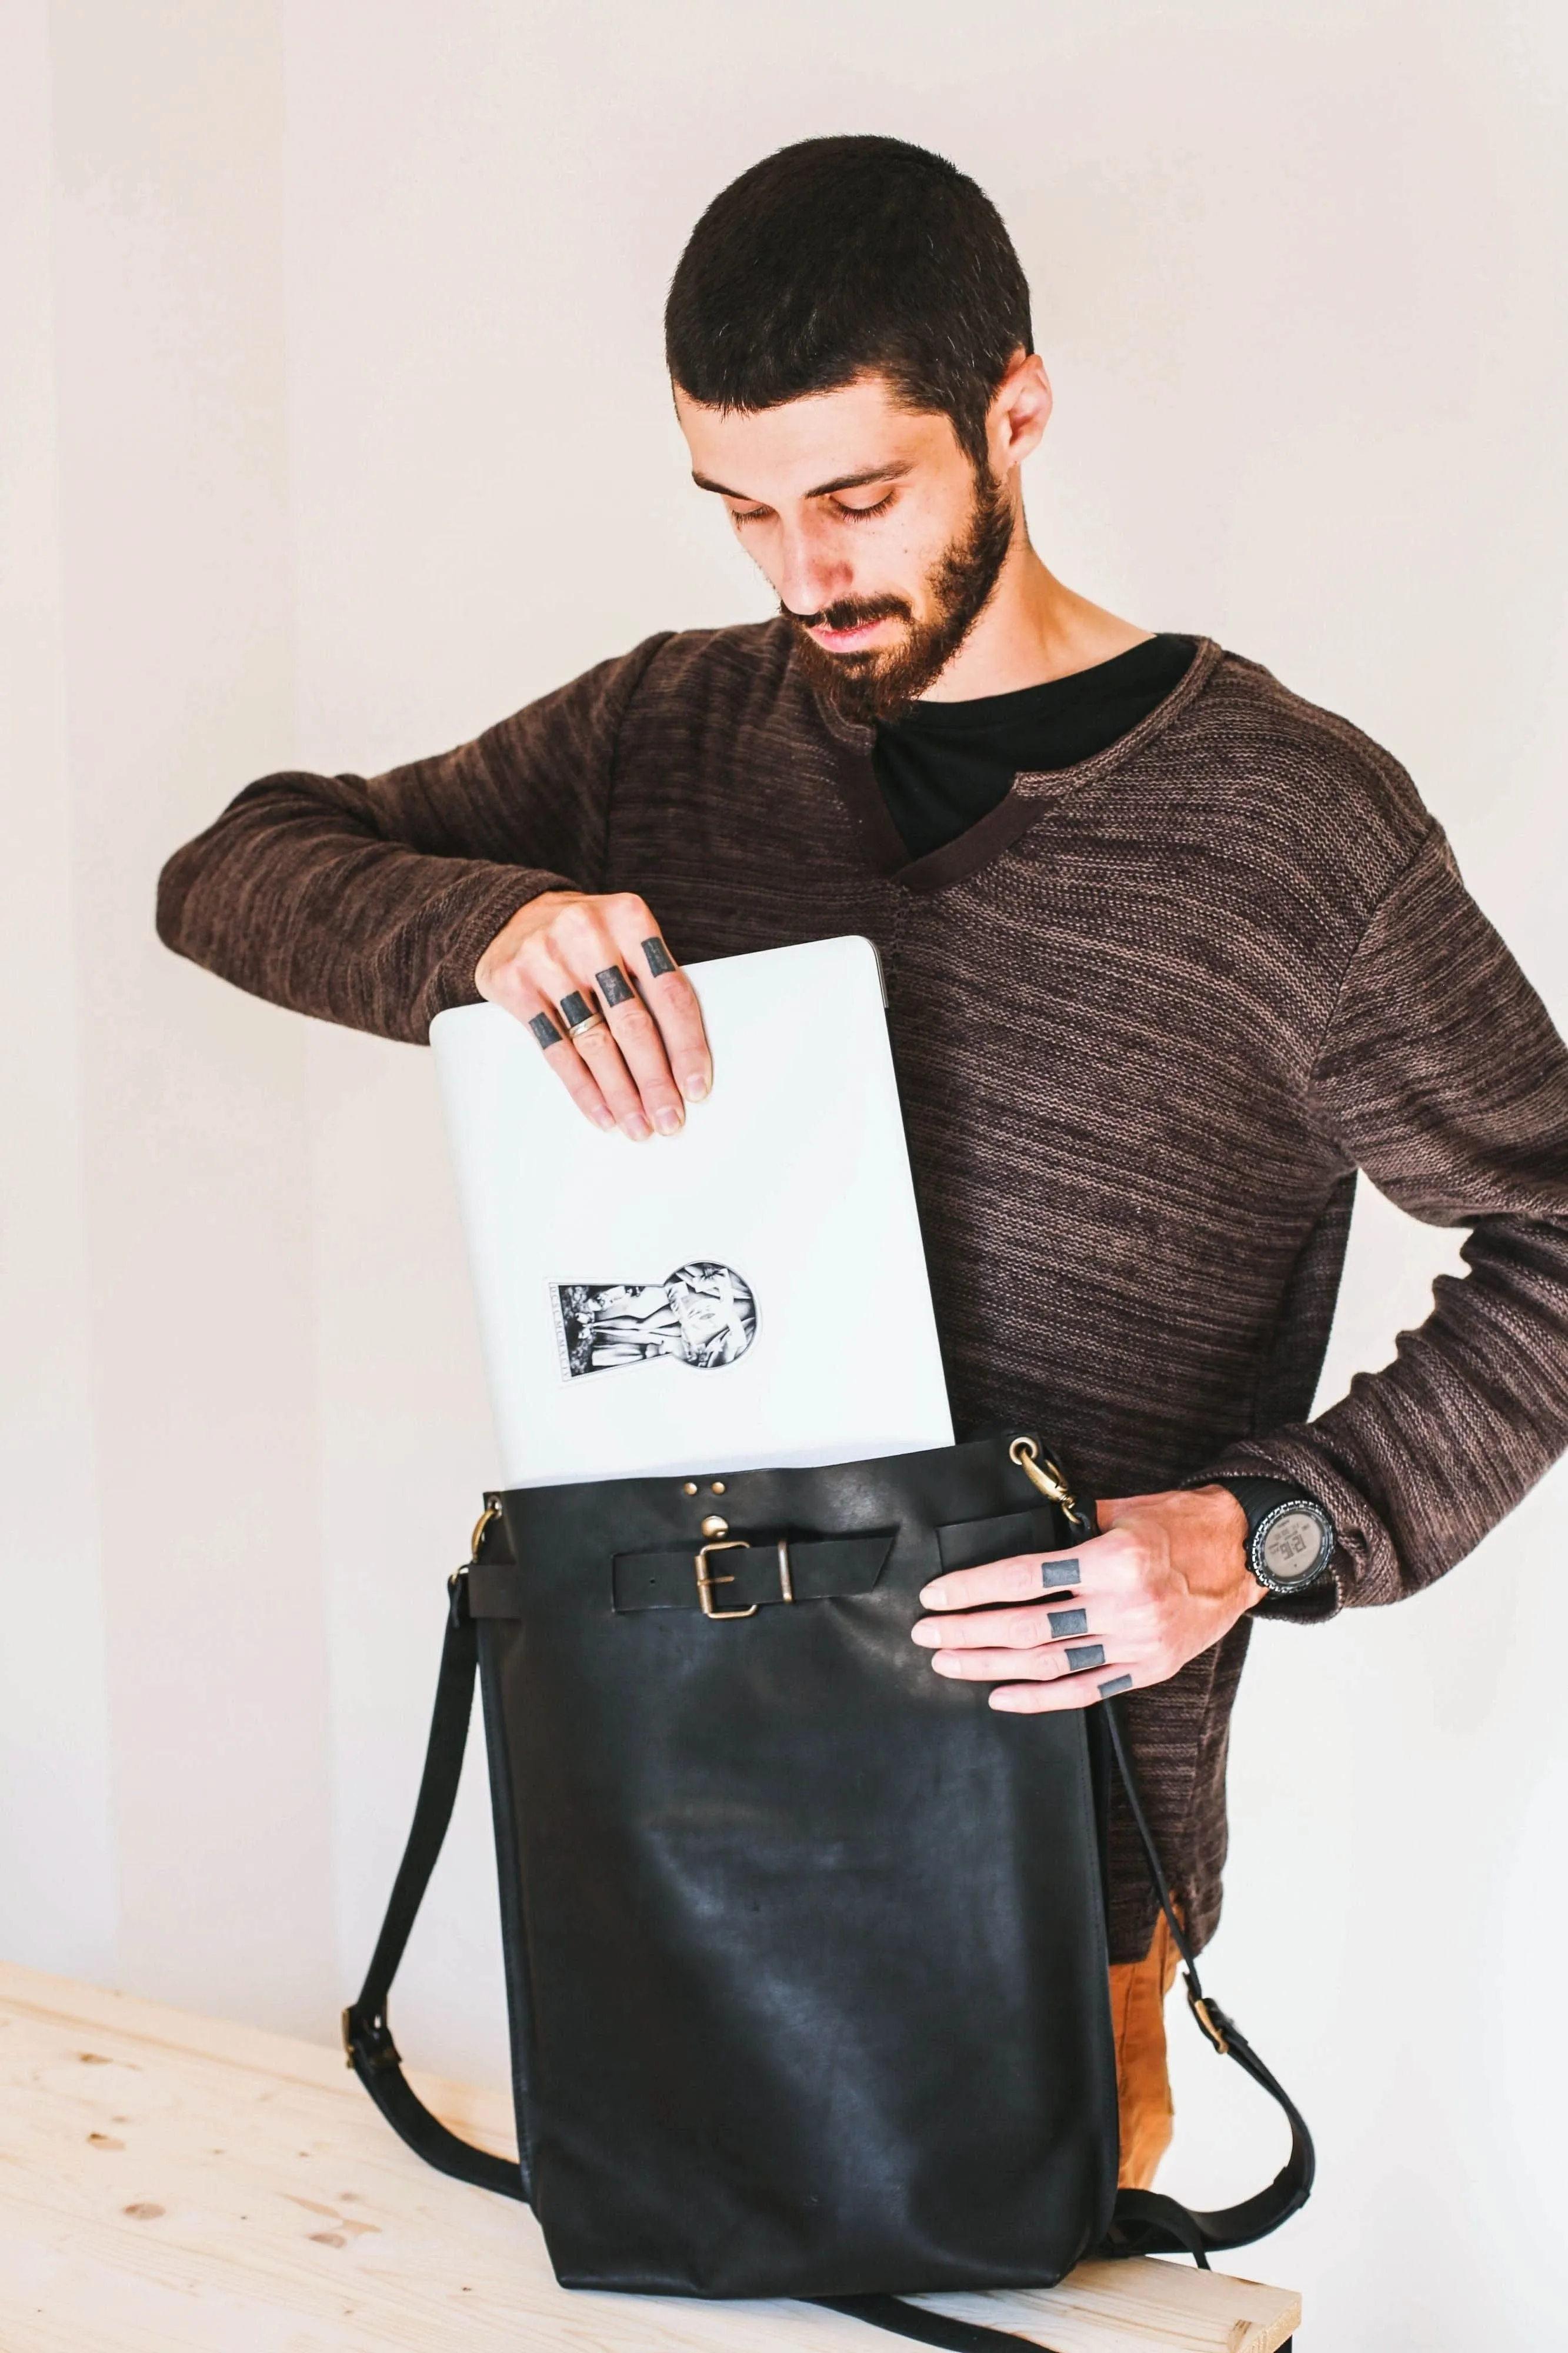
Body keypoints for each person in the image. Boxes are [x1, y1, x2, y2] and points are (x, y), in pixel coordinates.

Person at [157, 134, 1568, 2189]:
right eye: (741, 511)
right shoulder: (669, 734)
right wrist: (477, 927)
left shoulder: (1292, 835)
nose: (803, 577)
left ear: (1016, 411)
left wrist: (1266, 1536)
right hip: (673, 1789)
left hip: (1043, 1852)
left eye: (857, 498)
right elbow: (235, 868)